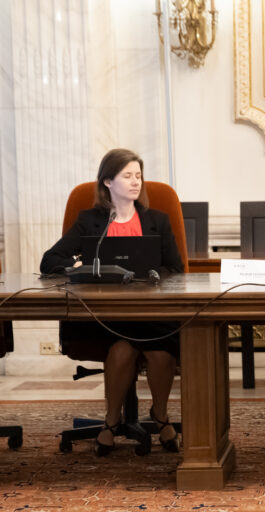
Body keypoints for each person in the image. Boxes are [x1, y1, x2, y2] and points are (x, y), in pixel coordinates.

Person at [40, 148, 183, 456]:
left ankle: (160, 417)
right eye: (127, 176)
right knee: (121, 350)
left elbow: (176, 268)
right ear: (107, 181)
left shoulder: (157, 220)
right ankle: (112, 421)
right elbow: (50, 260)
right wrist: (76, 266)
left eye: (138, 176)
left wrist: (153, 275)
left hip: (151, 313)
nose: (136, 182)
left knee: (160, 352)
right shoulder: (90, 222)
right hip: (105, 316)